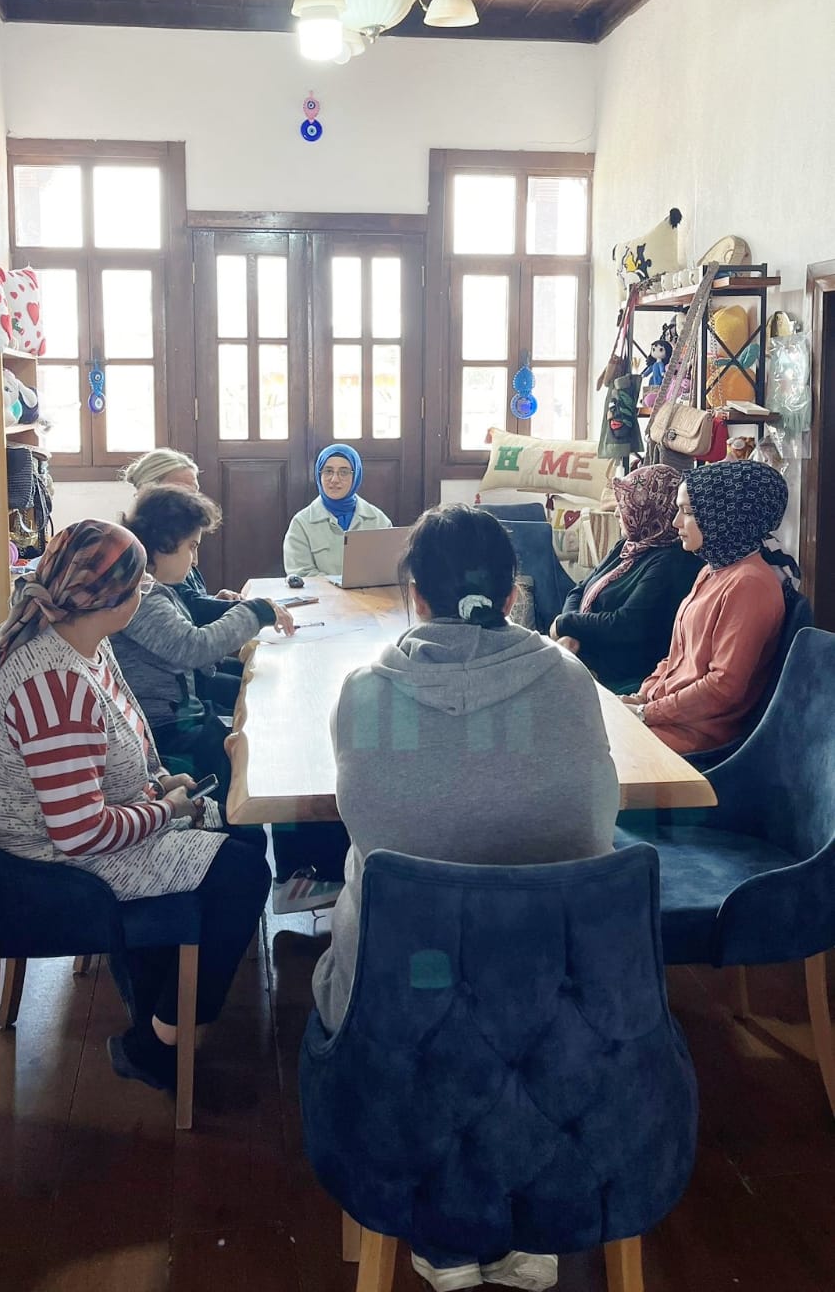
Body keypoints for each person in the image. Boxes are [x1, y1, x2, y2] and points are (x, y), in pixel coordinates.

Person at [312, 506, 619, 1292]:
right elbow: (596, 825)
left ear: (416, 595)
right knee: (501, 993)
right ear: (513, 594)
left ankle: (442, 1228)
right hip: (551, 989)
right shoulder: (570, 682)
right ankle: (526, 1212)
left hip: (406, 991)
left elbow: (369, 822)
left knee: (369, 894)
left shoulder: (366, 692)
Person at [0, 520, 271, 1093]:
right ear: (113, 599)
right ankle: (154, 1045)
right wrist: (167, 810)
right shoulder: (55, 684)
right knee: (244, 873)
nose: (147, 592)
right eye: (140, 586)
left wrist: (159, 782)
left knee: (243, 833)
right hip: (50, 866)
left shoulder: (80, 641)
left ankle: (159, 998)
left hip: (79, 829)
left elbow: (120, 746)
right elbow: (80, 834)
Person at [111, 486, 295, 784]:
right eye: (192, 547)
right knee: (247, 760)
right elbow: (194, 648)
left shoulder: (155, 589)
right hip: (166, 731)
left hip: (181, 718)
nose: (195, 560)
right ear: (164, 542)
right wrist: (254, 612)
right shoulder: (142, 597)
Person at [623, 460, 789, 754]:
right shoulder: (711, 570)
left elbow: (722, 688)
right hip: (670, 717)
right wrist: (643, 696)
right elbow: (678, 657)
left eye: (688, 512)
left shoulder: (749, 584)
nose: (675, 522)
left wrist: (647, 713)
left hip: (698, 734)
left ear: (724, 515)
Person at [549, 464, 702, 693]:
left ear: (650, 508)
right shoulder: (630, 545)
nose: (616, 513)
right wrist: (570, 632)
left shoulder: (672, 561)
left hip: (621, 673)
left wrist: (565, 624)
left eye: (626, 505)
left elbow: (627, 625)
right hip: (582, 653)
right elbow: (579, 590)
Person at [123, 449, 243, 708]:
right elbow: (192, 643)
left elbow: (186, 608)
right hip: (174, 704)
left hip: (186, 686)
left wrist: (217, 601)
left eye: (195, 491)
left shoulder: (170, 555)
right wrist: (253, 611)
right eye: (182, 489)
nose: (191, 499)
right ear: (149, 491)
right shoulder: (143, 583)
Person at [283, 444, 391, 578]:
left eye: (344, 472)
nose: (334, 480)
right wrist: (338, 585)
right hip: (319, 592)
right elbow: (301, 573)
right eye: (328, 471)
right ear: (319, 475)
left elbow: (388, 569)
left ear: (356, 476)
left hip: (370, 592)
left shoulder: (379, 521)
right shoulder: (301, 523)